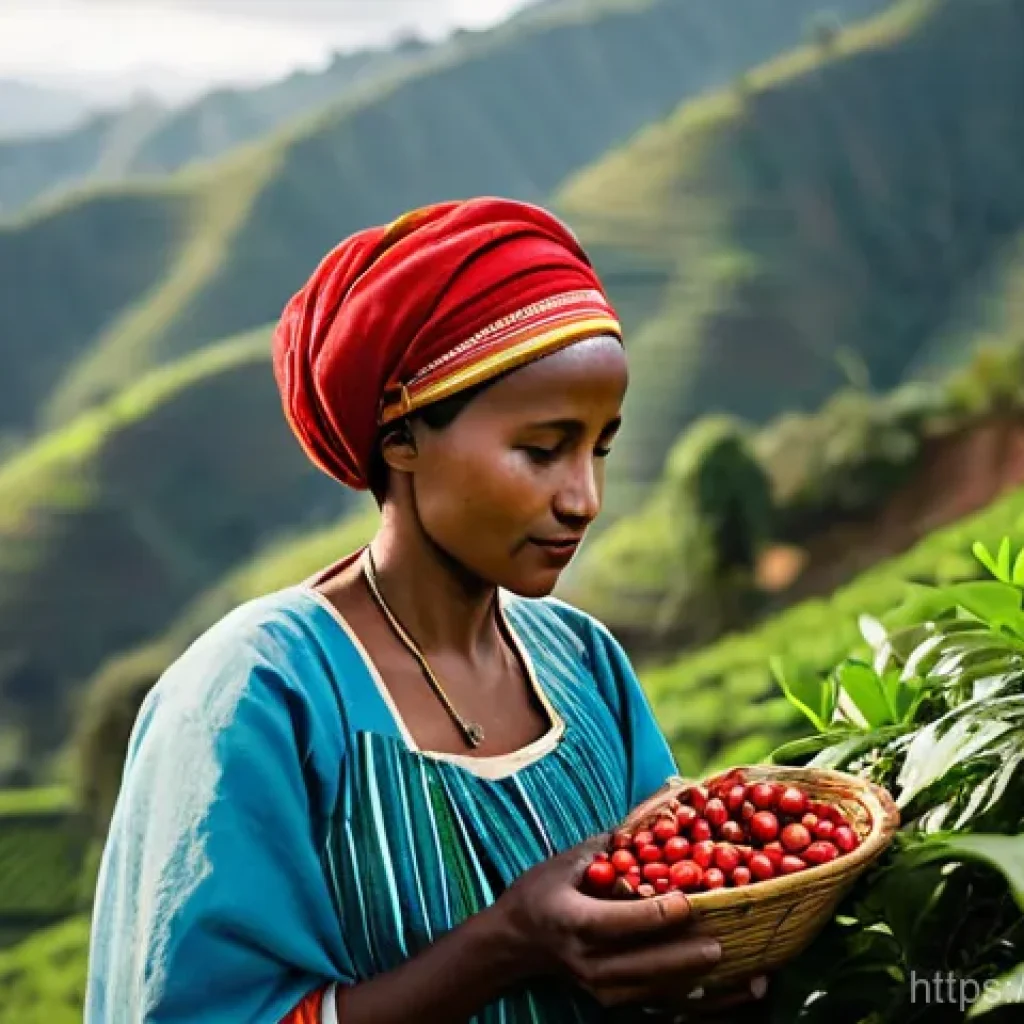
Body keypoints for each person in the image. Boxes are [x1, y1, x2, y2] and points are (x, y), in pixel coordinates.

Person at [85, 198, 767, 1022]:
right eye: (543, 450)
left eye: (601, 448)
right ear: (402, 437)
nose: (585, 498)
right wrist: (508, 940)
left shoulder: (583, 662)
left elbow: (673, 917)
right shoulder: (256, 697)